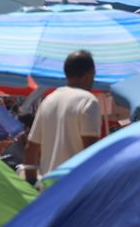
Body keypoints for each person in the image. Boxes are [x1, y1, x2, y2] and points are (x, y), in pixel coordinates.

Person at [24, 50, 102, 181]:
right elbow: (91, 153)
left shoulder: (48, 100)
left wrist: (31, 184)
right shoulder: (89, 101)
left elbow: (30, 149)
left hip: (48, 188)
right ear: (88, 75)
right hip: (74, 188)